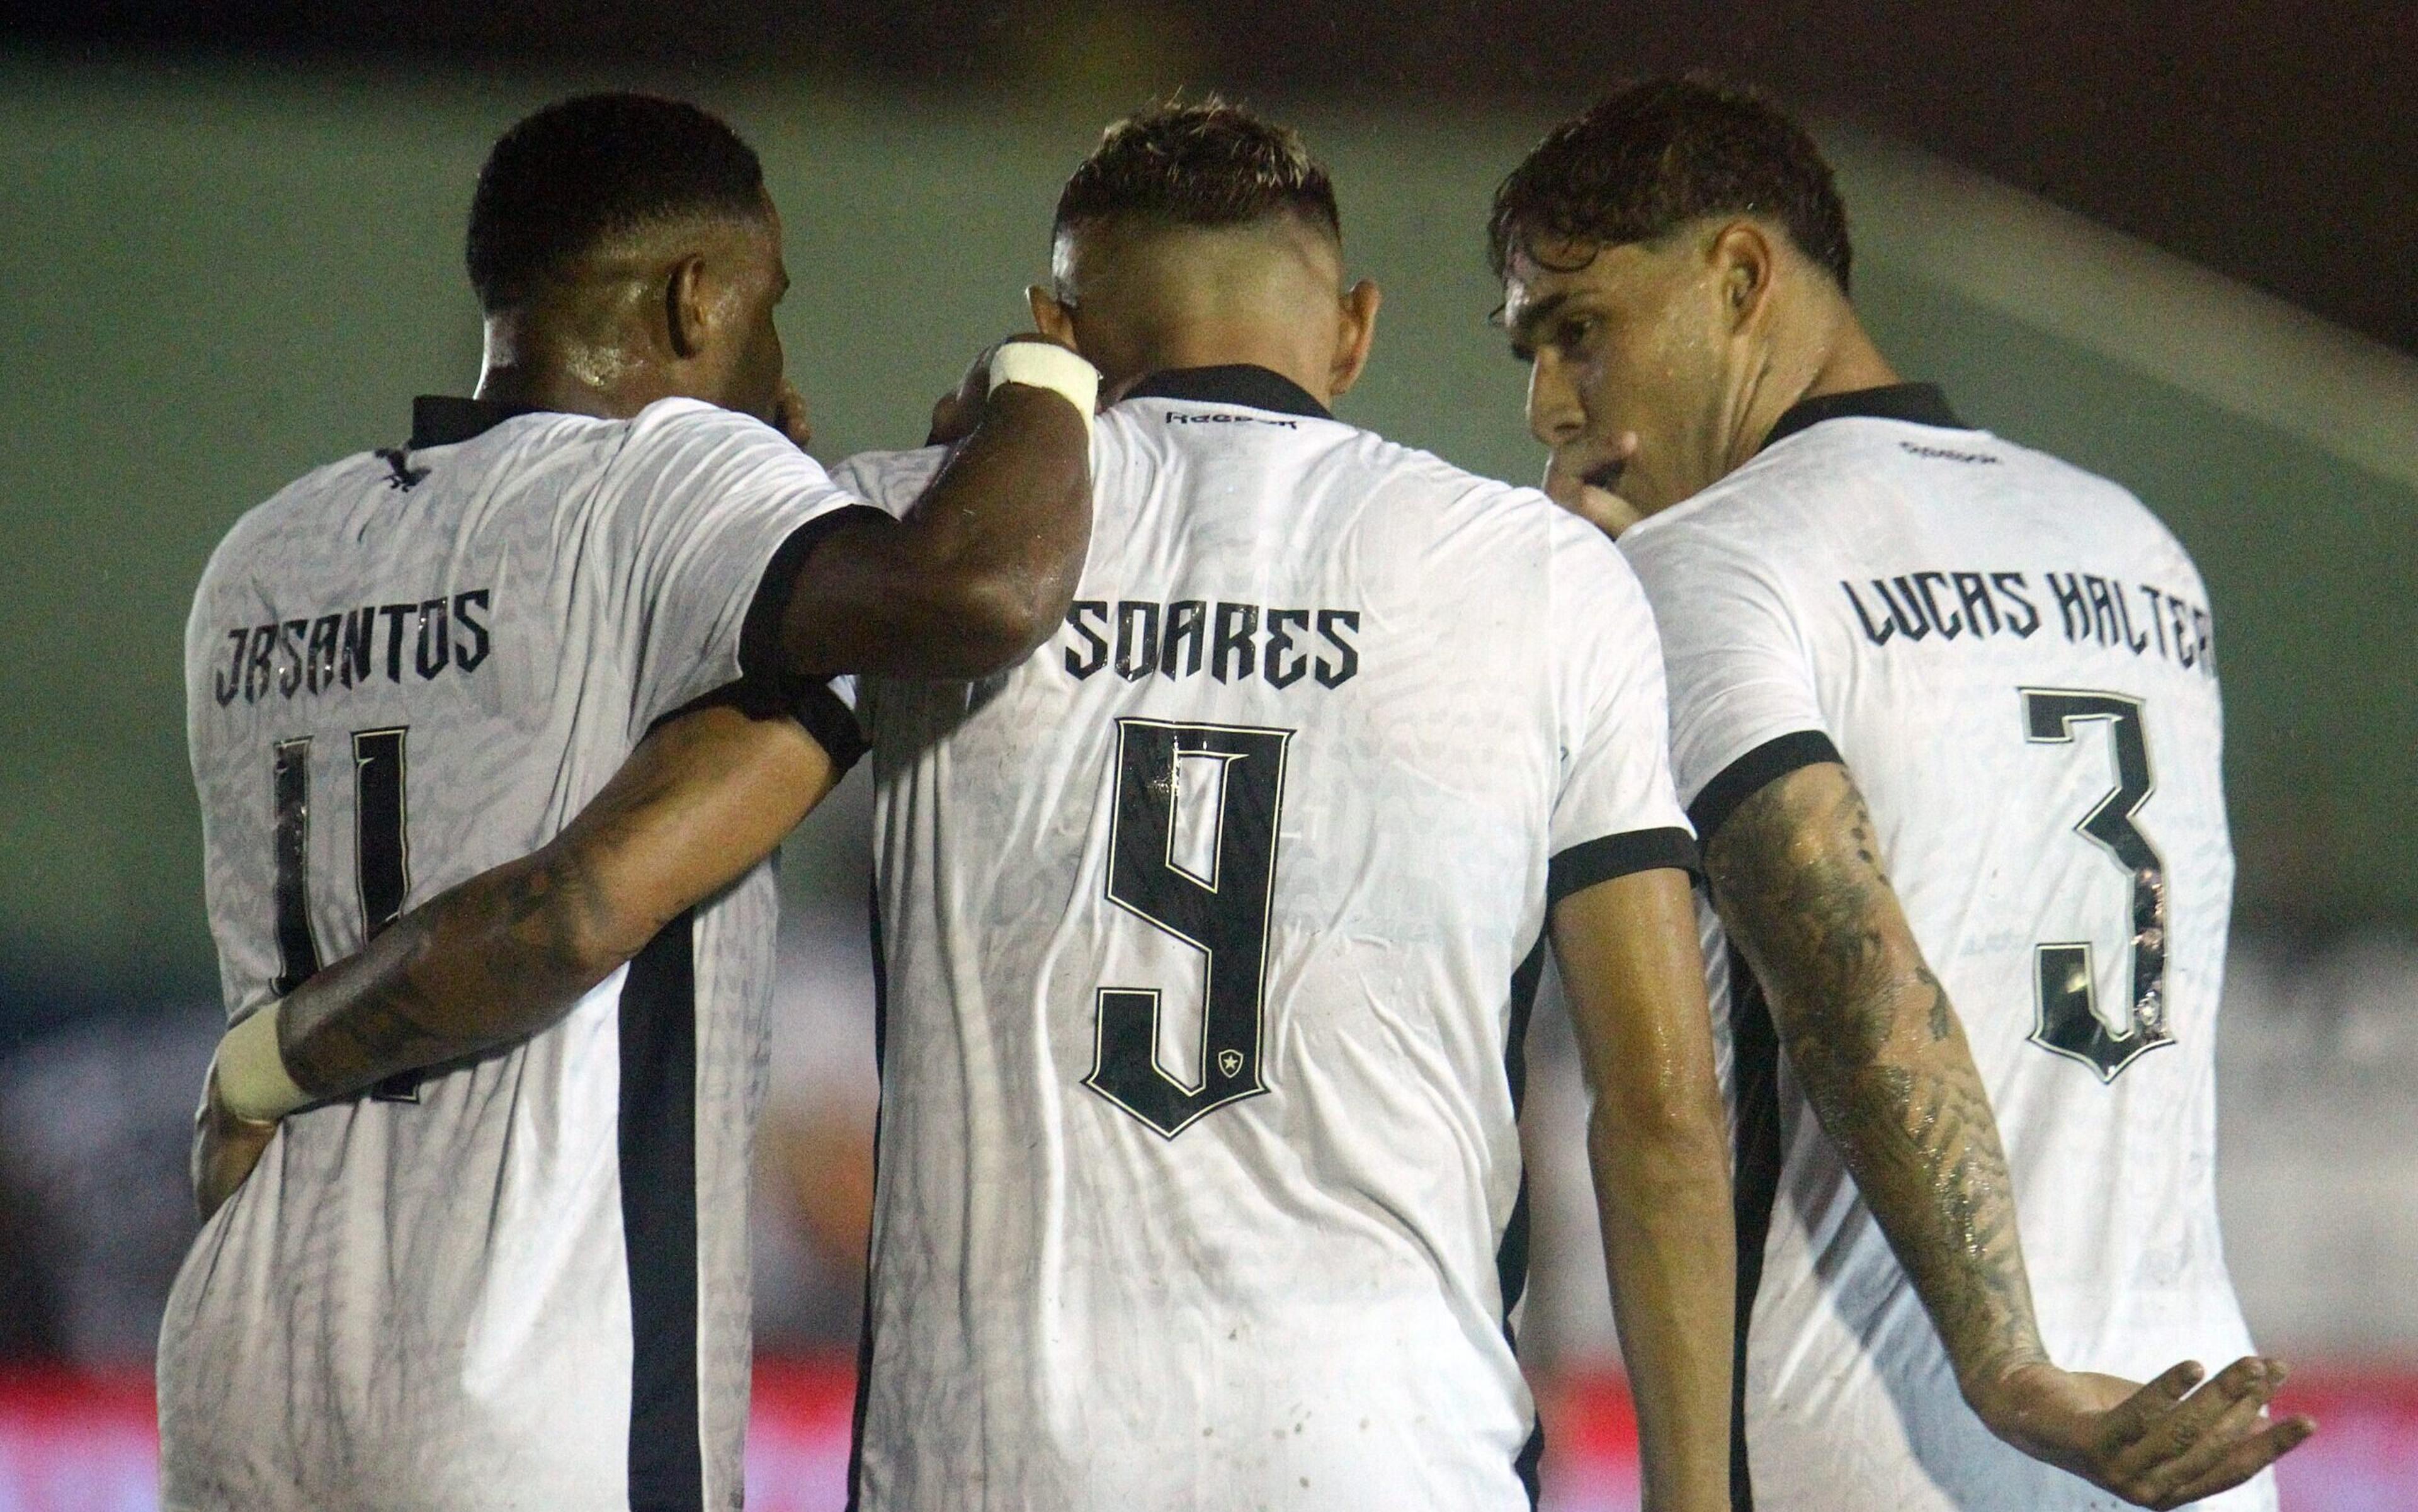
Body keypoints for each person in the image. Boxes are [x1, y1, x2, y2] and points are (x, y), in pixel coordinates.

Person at [220, 99, 1740, 1510]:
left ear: (1059, 328)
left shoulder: (905, 536)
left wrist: (279, 1056)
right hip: (1391, 1450)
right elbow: (1663, 1113)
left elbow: (601, 885)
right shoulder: (1545, 582)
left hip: (997, 1459)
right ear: (1349, 334)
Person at [162, 91, 1096, 1512]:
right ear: (694, 296)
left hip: (244, 1371)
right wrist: (1046, 379)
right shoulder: (664, 476)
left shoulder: (265, 555)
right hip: (529, 1398)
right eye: (772, 304)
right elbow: (983, 591)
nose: (783, 352)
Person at [1490, 77, 2315, 1511]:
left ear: (1741, 277)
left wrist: (2011, 1369)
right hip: (2191, 1438)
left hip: (1903, 1447)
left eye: (1580, 331)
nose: (1549, 405)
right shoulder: (2136, 548)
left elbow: (1855, 968)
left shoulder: (1709, 567)